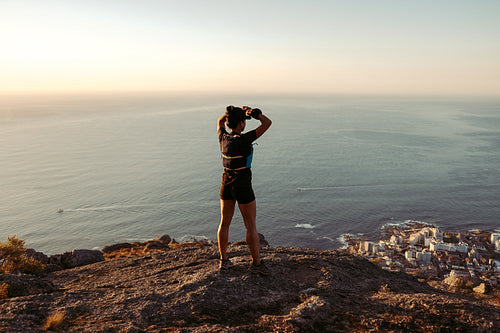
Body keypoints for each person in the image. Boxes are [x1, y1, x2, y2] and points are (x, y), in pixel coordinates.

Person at [217, 105, 272, 275]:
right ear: (241, 124)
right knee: (250, 225)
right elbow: (267, 123)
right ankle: (256, 264)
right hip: (243, 184)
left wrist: (231, 114)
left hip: (226, 182)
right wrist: (253, 113)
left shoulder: (223, 137)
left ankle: (223, 260)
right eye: (244, 122)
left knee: (224, 222)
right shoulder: (245, 139)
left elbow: (220, 121)